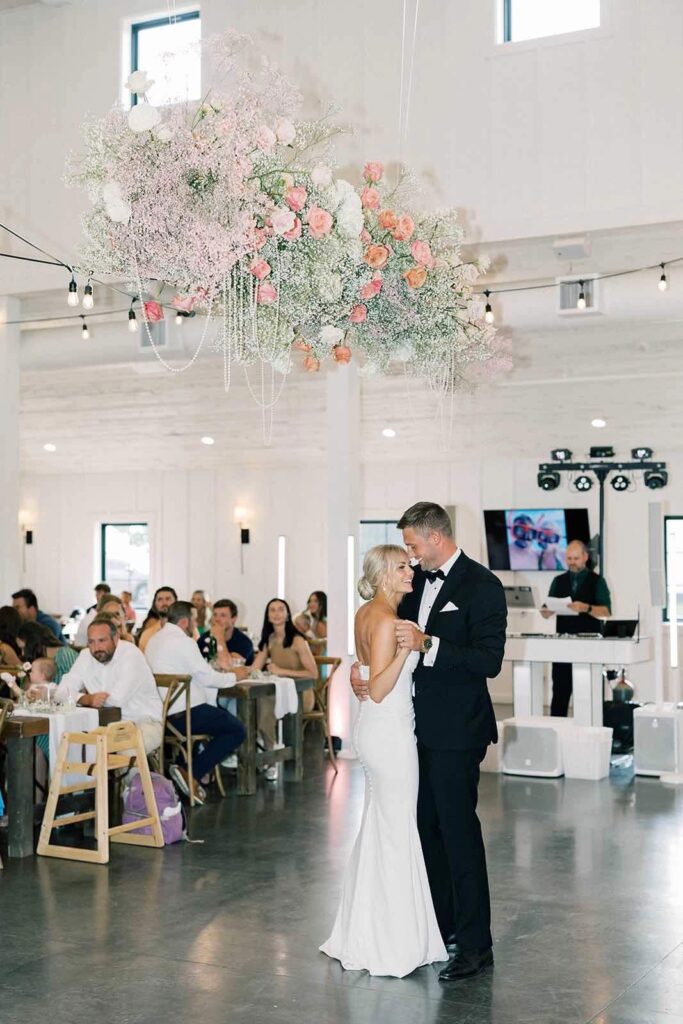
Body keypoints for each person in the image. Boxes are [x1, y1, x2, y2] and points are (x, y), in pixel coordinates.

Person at [349, 502, 506, 982]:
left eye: (413, 547)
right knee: (426, 832)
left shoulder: (482, 586)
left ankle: (476, 946)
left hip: (457, 732)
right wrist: (361, 674)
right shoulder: (414, 589)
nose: (411, 559)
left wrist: (429, 645)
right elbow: (385, 641)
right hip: (409, 729)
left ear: (434, 537)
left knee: (458, 834)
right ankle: (441, 928)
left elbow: (488, 661)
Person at [320, 545, 448, 978]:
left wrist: (376, 663)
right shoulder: (389, 620)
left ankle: (374, 929)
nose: (410, 570)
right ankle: (393, 941)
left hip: (379, 730)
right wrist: (406, 653)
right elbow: (377, 688)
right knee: (396, 831)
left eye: (409, 564)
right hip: (389, 732)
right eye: (401, 566)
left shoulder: (366, 612)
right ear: (381, 576)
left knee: (383, 827)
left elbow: (362, 667)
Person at [144, 601, 248, 804]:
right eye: (193, 620)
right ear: (184, 622)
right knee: (236, 730)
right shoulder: (184, 642)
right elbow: (207, 677)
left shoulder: (154, 640)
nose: (195, 624)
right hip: (184, 715)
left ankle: (185, 770)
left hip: (160, 715)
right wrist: (235, 676)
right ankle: (191, 773)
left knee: (213, 714)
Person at [55, 616, 163, 755]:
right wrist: (87, 699)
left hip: (144, 723)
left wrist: (86, 698)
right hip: (105, 725)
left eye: (102, 640)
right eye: (91, 642)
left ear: (116, 637)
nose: (96, 647)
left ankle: (137, 777)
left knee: (124, 752)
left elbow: (116, 699)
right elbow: (60, 693)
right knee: (71, 745)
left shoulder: (130, 654)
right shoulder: (86, 655)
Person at [541, 539, 612, 717]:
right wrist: (547, 610)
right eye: (569, 558)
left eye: (576, 558)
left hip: (590, 645)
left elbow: (606, 612)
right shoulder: (558, 580)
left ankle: (590, 734)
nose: (572, 562)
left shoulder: (597, 581)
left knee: (589, 692)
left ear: (585, 557)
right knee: (560, 693)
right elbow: (545, 610)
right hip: (563, 644)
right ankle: (555, 732)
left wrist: (586, 608)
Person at [252, 598, 318, 716]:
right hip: (279, 690)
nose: (276, 613)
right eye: (272, 610)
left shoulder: (298, 641)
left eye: (281, 609)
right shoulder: (269, 639)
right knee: (256, 701)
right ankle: (262, 734)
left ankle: (266, 735)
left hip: (300, 693)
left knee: (265, 702)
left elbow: (313, 673)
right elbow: (254, 668)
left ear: (287, 615)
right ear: (268, 616)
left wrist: (281, 671)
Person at [198, 599, 255, 667]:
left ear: (234, 619)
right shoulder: (203, 639)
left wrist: (219, 637)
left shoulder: (244, 642)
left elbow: (230, 668)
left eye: (223, 615)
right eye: (215, 615)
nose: (217, 619)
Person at [138, 586, 178, 653]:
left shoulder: (187, 629)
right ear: (155, 604)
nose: (164, 603)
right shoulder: (147, 634)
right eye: (160, 599)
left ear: (176, 602)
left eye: (168, 599)